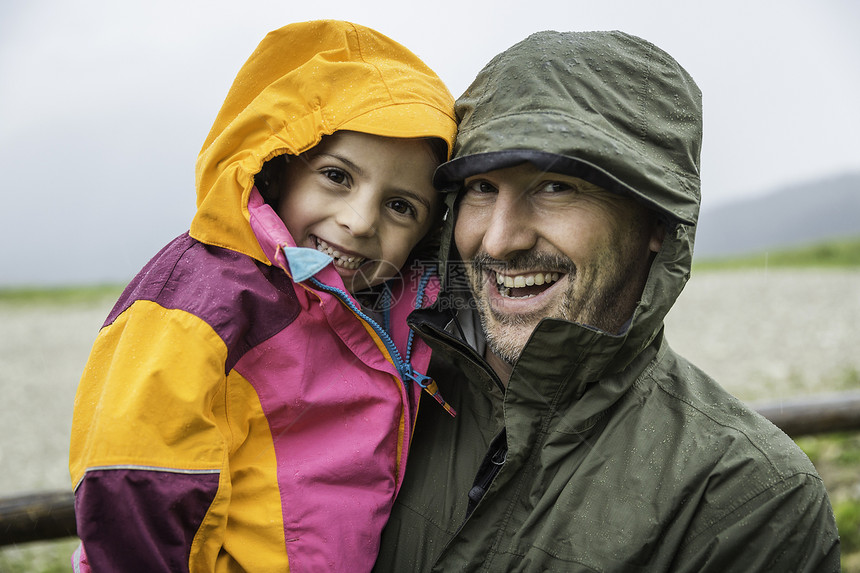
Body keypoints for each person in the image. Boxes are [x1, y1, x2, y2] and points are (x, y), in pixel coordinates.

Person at [373, 30, 841, 572]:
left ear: (657, 221)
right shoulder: (381, 389)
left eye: (556, 187)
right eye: (480, 187)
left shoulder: (746, 497)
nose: (499, 240)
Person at [68, 20, 457, 572]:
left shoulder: (394, 311)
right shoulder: (200, 306)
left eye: (401, 206)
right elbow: (131, 485)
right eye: (337, 176)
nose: (359, 221)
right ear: (275, 170)